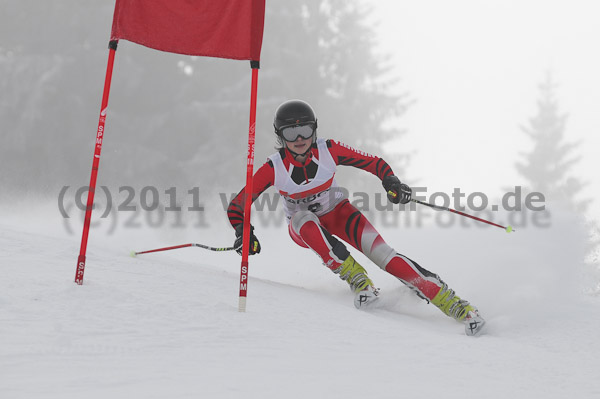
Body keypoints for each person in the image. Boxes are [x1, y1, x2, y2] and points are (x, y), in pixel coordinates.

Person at [227, 99, 485, 336]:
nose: (299, 139)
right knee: (303, 218)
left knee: (385, 256)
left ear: (314, 129)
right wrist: (243, 232)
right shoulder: (274, 167)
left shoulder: (328, 150)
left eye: (305, 130)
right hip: (304, 228)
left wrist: (390, 181)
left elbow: (374, 162)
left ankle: (454, 304)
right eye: (290, 133)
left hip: (340, 213)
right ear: (280, 136)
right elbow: (237, 207)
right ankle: (358, 279)